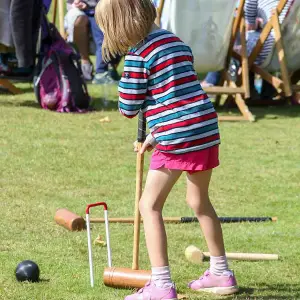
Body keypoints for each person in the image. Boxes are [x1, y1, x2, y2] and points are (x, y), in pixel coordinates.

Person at [95, 1, 239, 299]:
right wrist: (156, 133)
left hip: (178, 136)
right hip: (203, 128)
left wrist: (127, 77)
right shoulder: (176, 42)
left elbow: (128, 107)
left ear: (120, 25)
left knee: (149, 205)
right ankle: (221, 273)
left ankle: (160, 285)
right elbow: (177, 93)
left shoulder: (138, 55)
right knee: (199, 201)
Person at [202, 0, 293, 100]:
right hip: (291, 51)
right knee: (251, 41)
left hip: (269, 50)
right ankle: (264, 91)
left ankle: (210, 81)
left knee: (230, 45)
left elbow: (250, 11)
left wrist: (251, 23)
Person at [65, 0, 120, 83]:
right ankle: (100, 73)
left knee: (121, 35)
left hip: (107, 10)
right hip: (93, 11)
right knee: (102, 41)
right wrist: (78, 3)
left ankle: (111, 69)